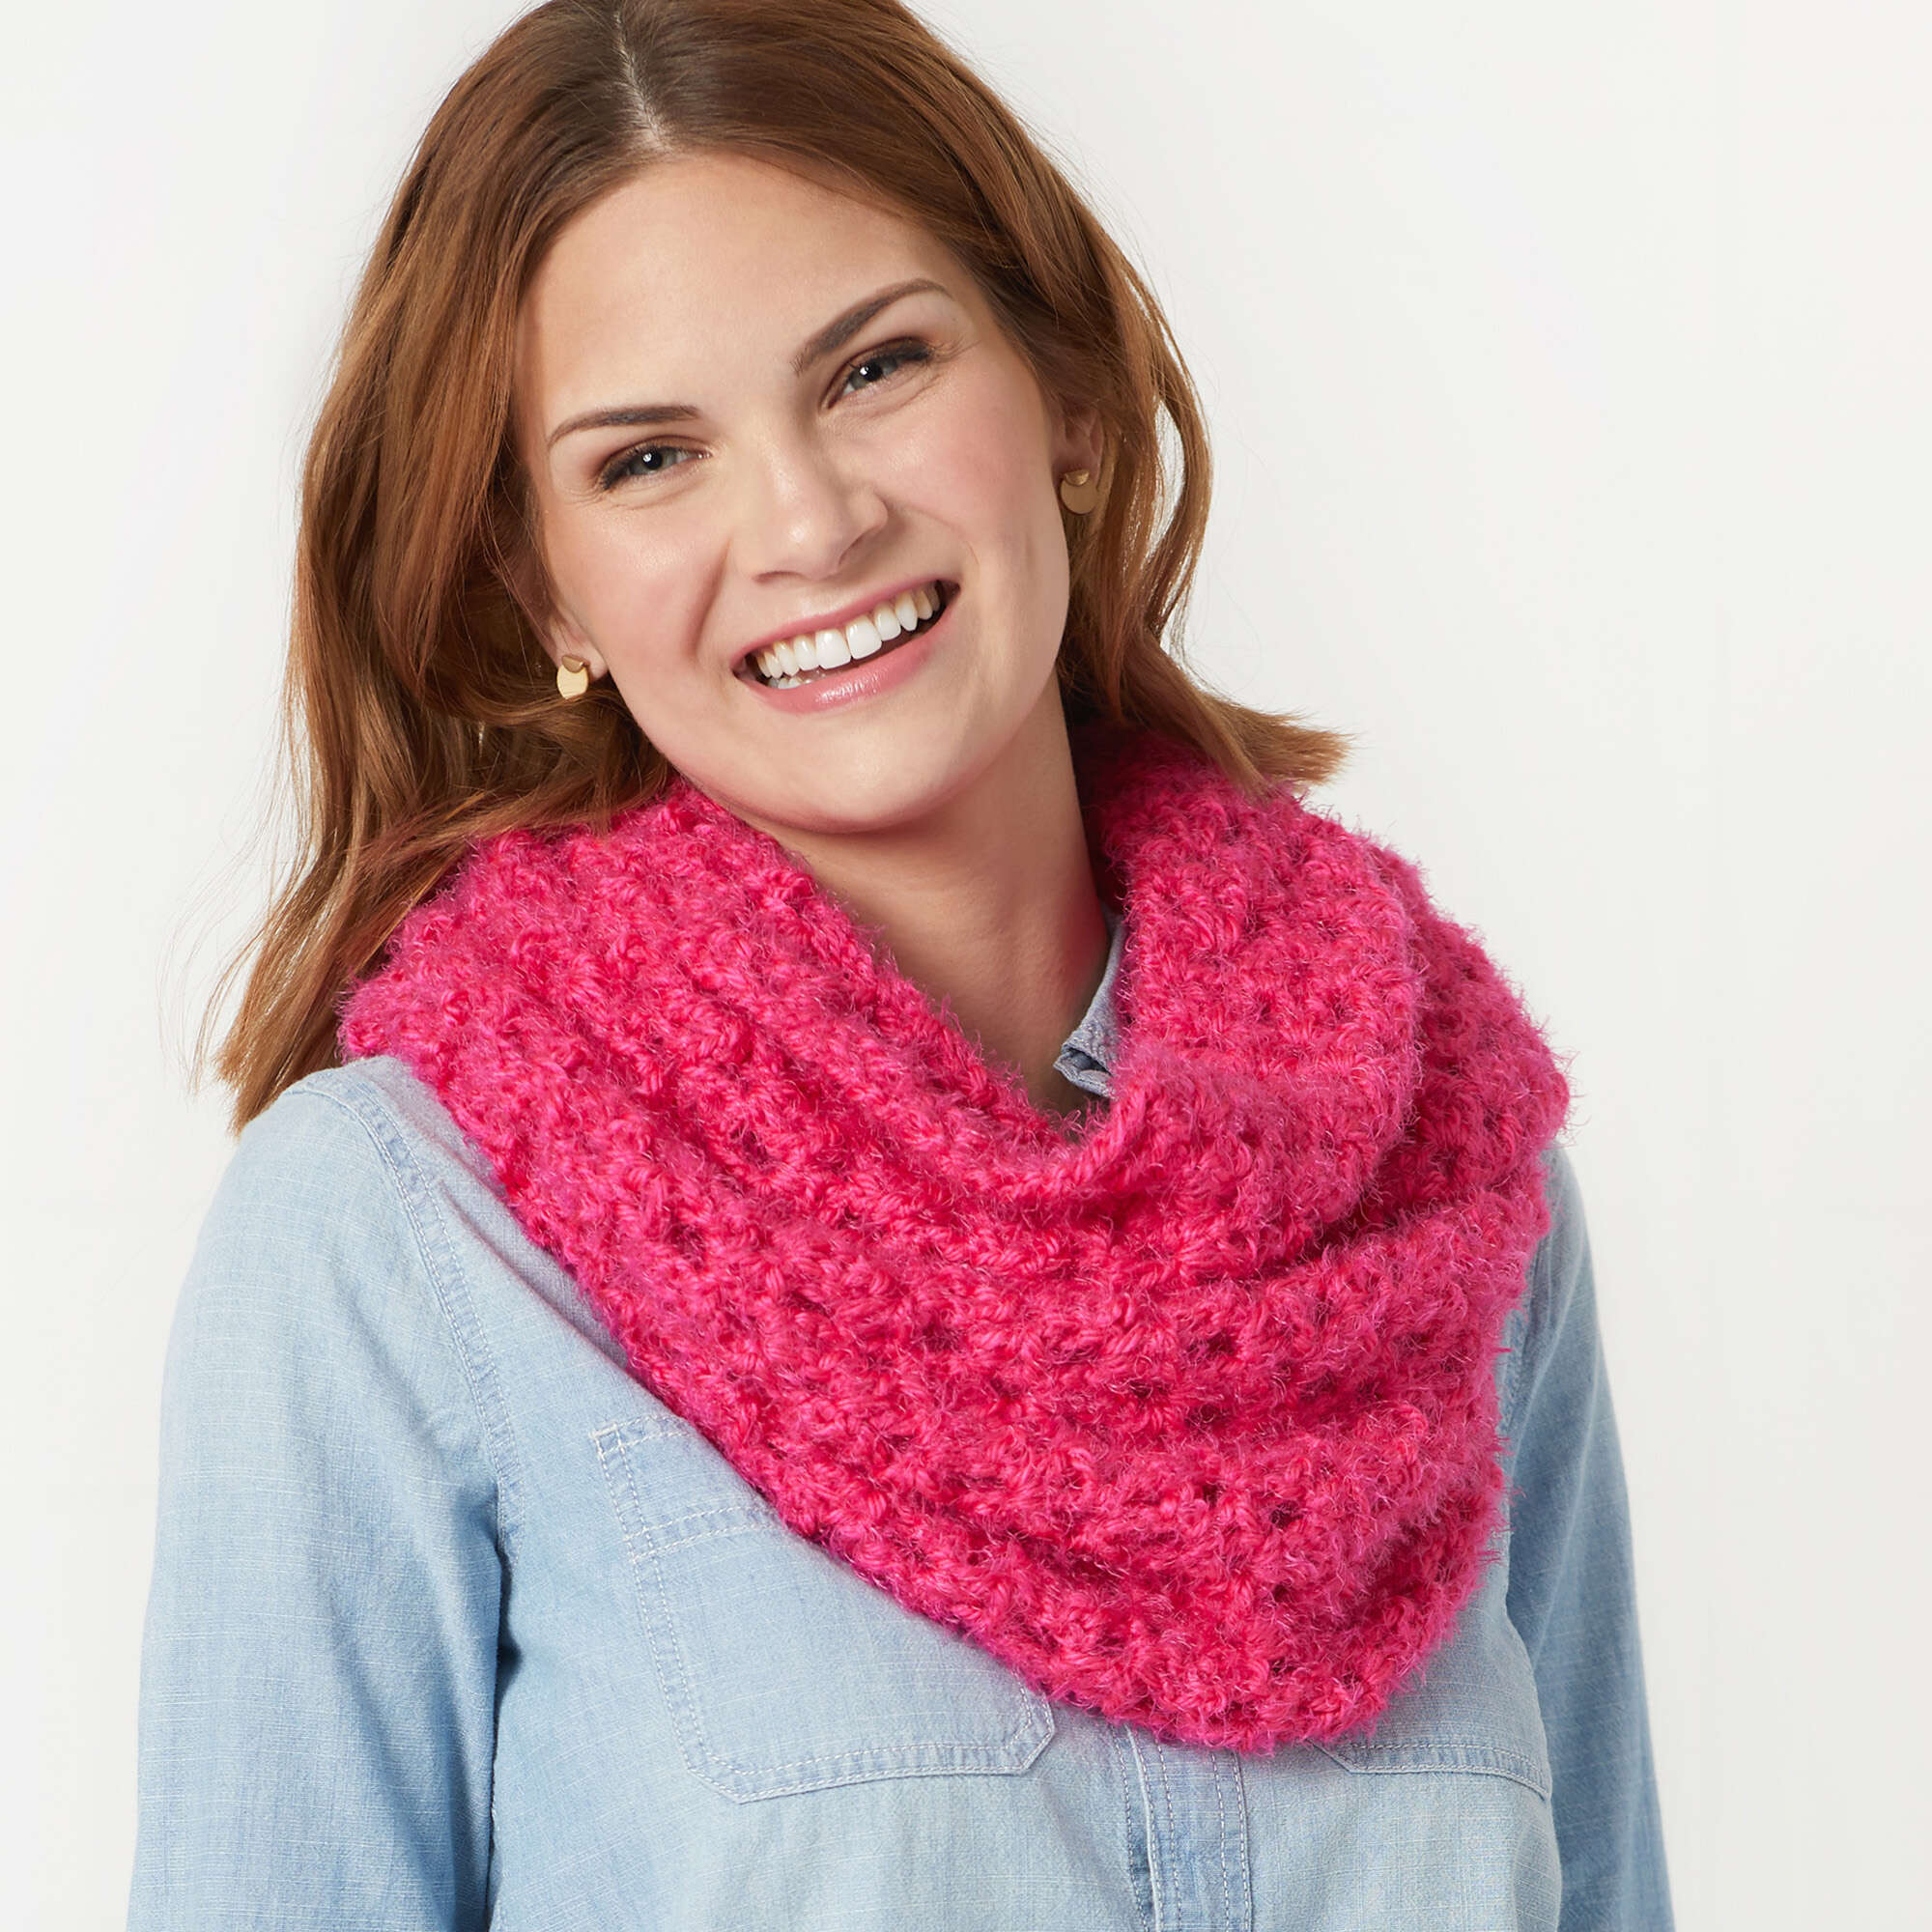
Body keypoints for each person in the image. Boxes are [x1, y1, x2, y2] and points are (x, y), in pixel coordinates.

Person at [128, 1, 1674, 1926]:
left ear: (1069, 397)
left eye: (874, 366)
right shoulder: (392, 1241)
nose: (810, 520)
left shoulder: (1425, 1165)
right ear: (539, 586)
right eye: (647, 458)